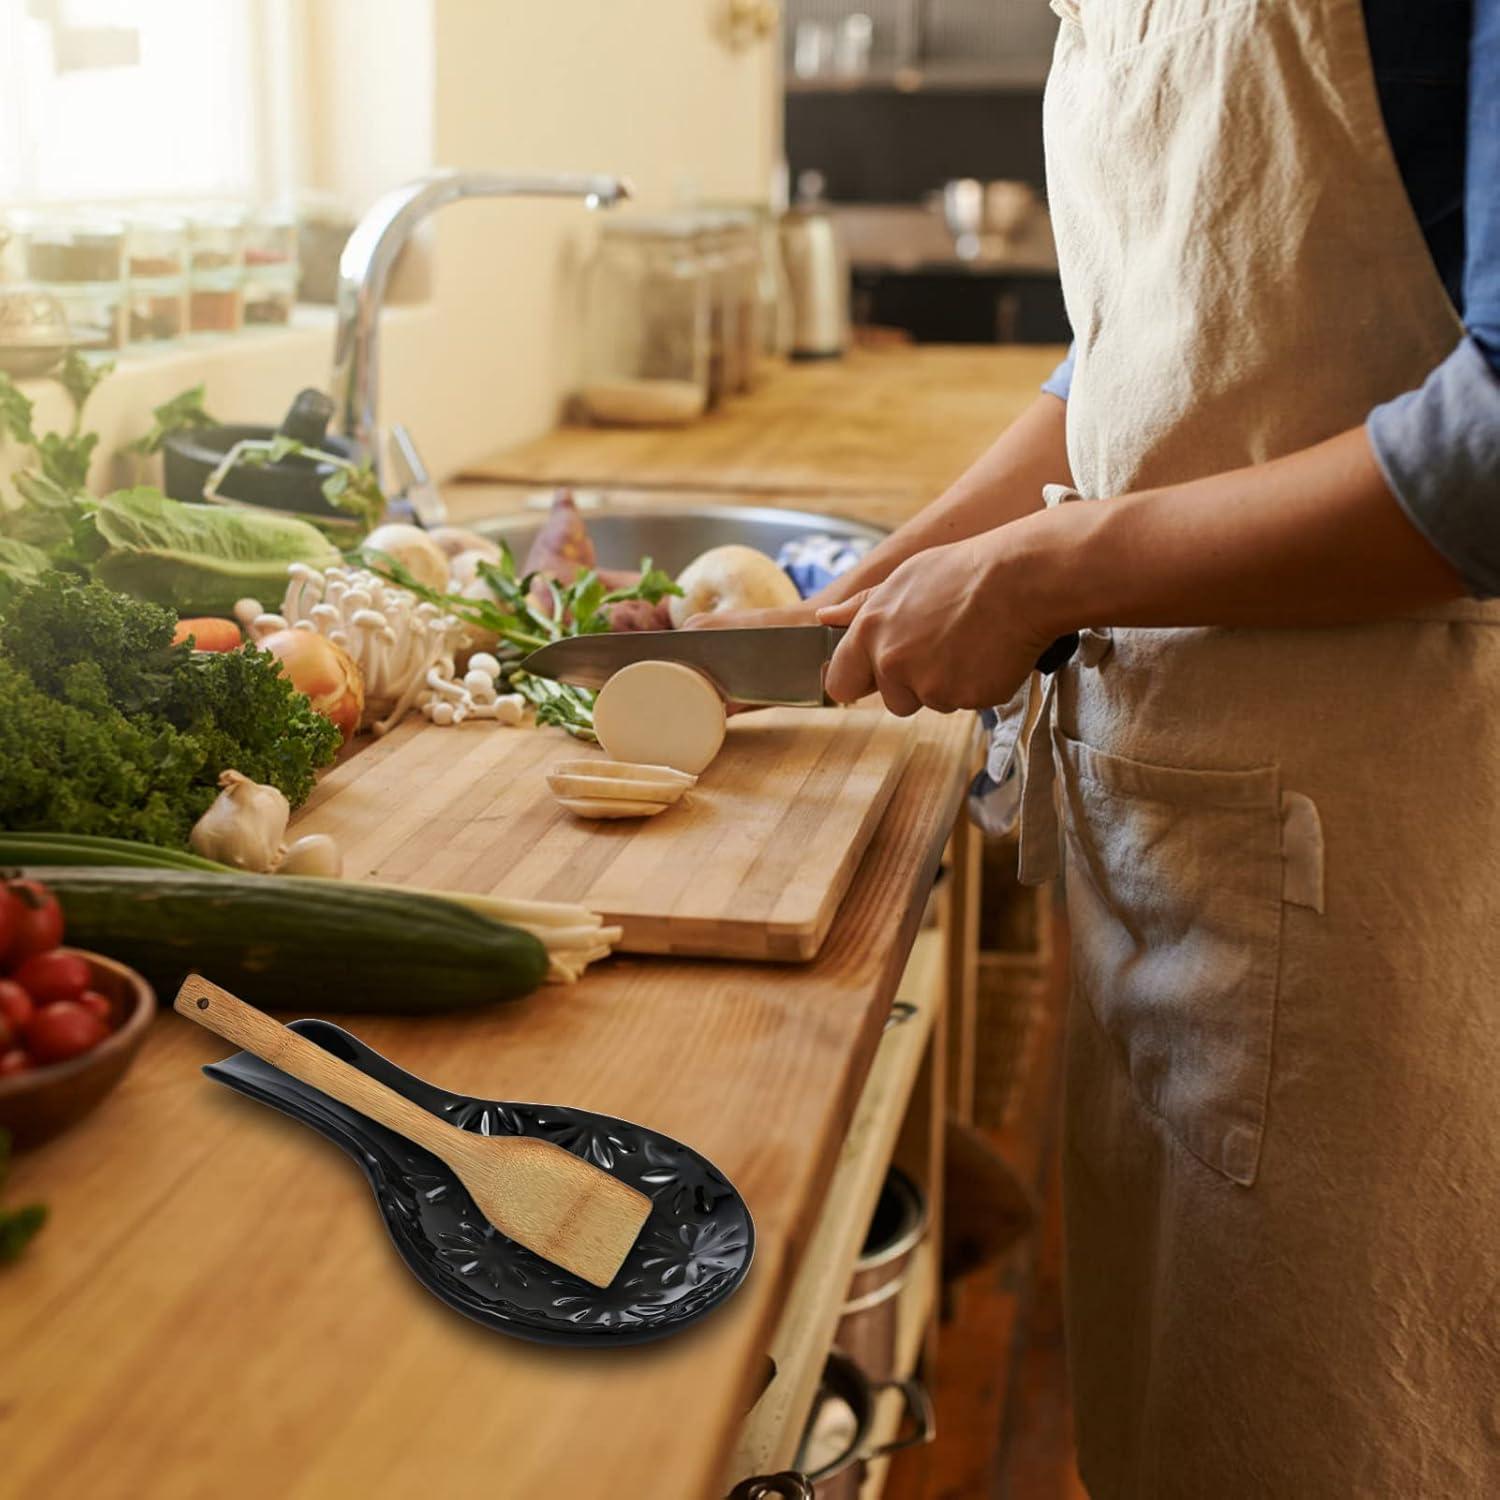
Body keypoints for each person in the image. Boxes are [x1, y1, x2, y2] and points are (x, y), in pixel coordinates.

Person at [695, 0, 1500, 1493]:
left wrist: (1048, 574)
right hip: (1175, 849)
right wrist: (888, 580)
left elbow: (1495, 445)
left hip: (1389, 869)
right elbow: (1142, 353)